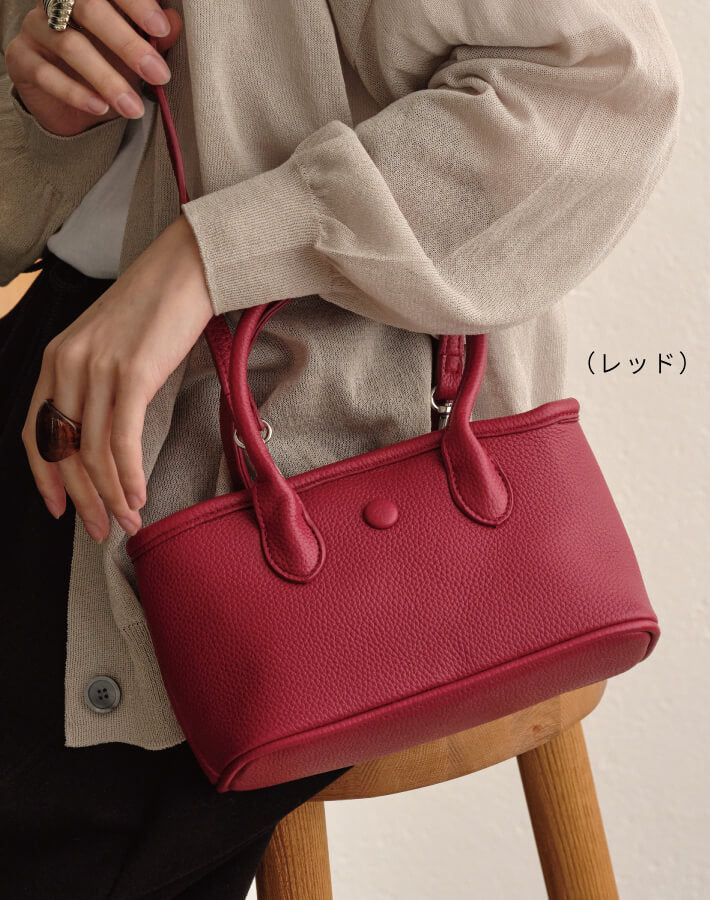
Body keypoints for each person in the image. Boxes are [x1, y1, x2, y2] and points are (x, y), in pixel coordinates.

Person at [0, 0, 682, 896]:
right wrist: (42, 107)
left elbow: (598, 89)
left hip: (320, 422)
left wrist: (210, 255)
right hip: (69, 356)